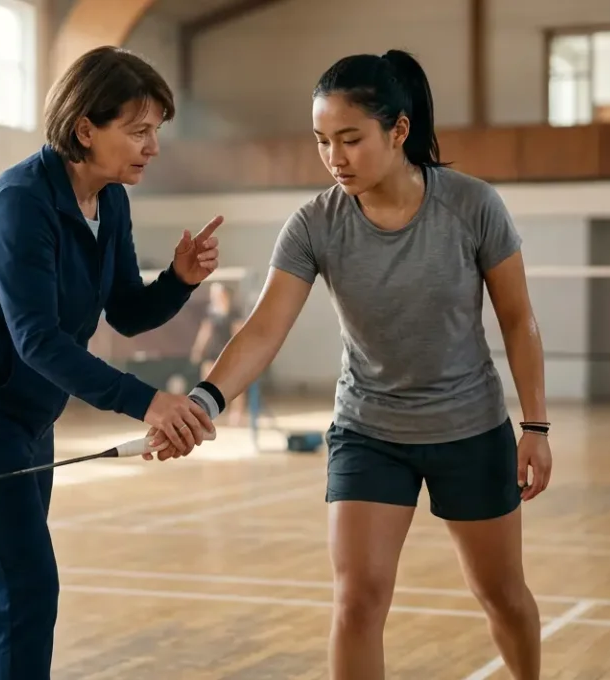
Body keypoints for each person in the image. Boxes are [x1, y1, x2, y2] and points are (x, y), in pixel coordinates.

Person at [149, 50, 552, 679]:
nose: (335, 157)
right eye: (321, 141)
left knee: (501, 595)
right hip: (369, 432)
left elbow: (519, 321)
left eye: (350, 139)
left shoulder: (472, 206)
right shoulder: (314, 224)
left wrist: (536, 425)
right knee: (357, 602)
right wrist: (205, 400)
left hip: (469, 431)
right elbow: (263, 330)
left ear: (399, 131)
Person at [0, 46, 221, 680]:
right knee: (24, 592)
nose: (152, 147)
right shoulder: (19, 202)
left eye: (155, 131)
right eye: (138, 130)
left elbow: (127, 311)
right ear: (86, 128)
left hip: (27, 420)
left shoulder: (109, 201)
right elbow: (37, 340)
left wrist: (179, 281)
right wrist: (148, 400)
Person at [189, 282, 246, 424]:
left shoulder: (234, 311)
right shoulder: (210, 311)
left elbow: (238, 332)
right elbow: (205, 331)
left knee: (235, 382)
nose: (213, 296)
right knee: (206, 382)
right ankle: (207, 411)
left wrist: (239, 352)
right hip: (212, 350)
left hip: (228, 350)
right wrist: (198, 348)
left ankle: (236, 413)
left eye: (216, 293)